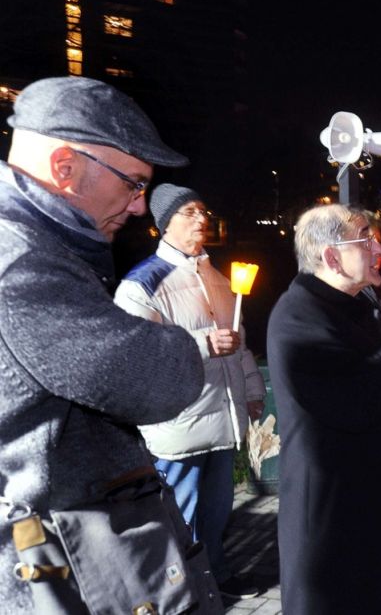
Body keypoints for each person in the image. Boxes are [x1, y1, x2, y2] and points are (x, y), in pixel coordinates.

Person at [0, 76, 210, 612]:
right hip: (62, 557)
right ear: (64, 167)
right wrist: (173, 342)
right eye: (134, 183)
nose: (140, 207)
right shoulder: (22, 262)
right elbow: (158, 378)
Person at [267, 204, 381, 614]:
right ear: (331, 257)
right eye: (365, 238)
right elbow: (352, 400)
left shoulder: (367, 301)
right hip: (334, 519)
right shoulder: (297, 317)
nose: (378, 247)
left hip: (379, 508)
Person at [114, 184, 265, 600]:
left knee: (217, 511)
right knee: (180, 515)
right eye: (190, 212)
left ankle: (217, 576)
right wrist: (201, 343)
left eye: (204, 211)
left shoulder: (218, 276)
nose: (202, 219)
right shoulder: (141, 285)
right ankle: (184, 594)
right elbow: (137, 356)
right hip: (178, 422)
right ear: (165, 223)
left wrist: (252, 389)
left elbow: (240, 342)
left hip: (221, 415)